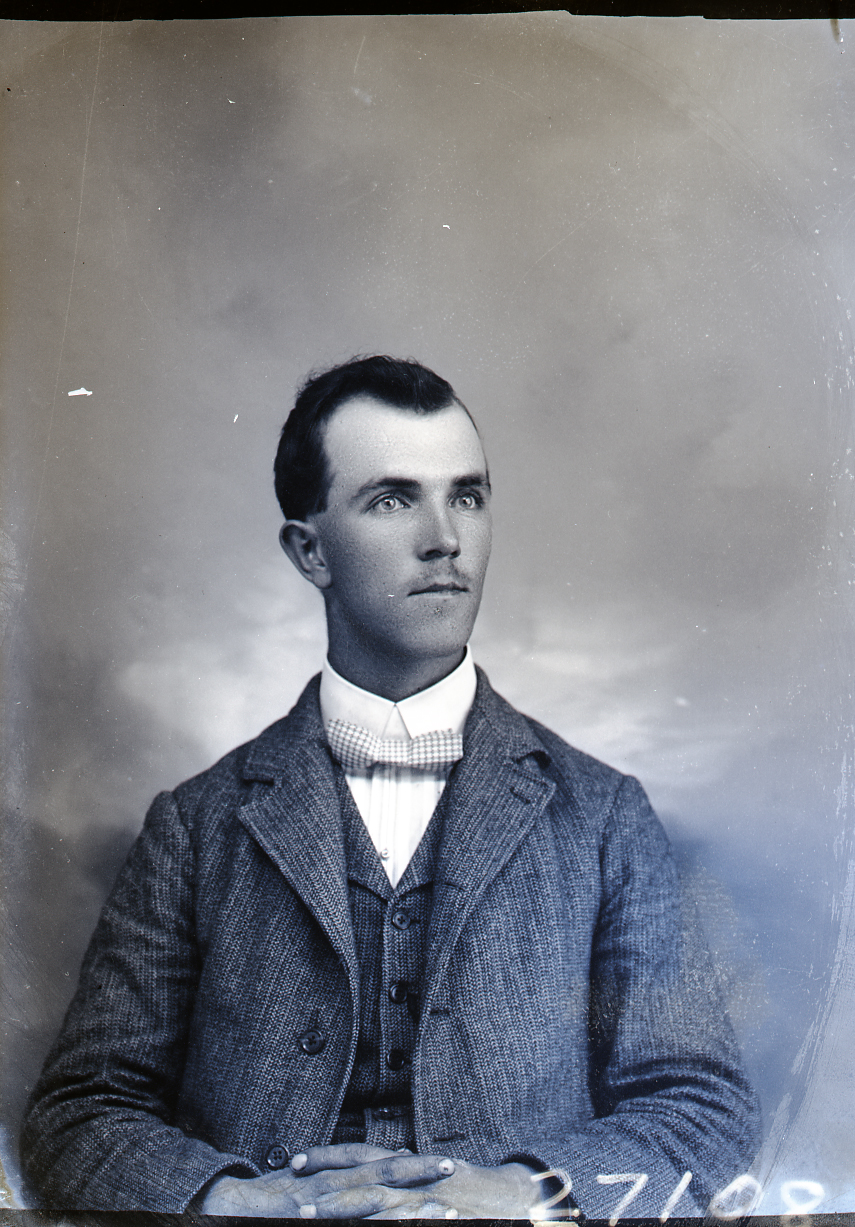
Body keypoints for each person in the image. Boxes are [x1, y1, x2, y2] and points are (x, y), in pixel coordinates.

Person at [20, 356, 760, 1219]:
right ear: (309, 550)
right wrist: (242, 1202)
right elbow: (77, 1115)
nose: (444, 538)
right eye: (393, 500)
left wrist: (522, 1193)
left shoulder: (602, 816)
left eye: (467, 496)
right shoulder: (194, 826)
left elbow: (702, 1108)